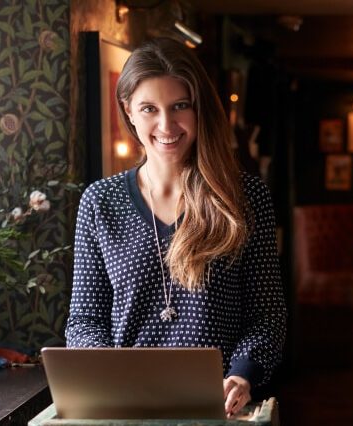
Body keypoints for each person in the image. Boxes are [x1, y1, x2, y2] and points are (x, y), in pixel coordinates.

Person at [65, 37, 287, 418]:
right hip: (125, 409)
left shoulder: (245, 197)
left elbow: (268, 315)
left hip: (220, 409)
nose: (167, 125)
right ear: (129, 112)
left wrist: (243, 374)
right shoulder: (99, 202)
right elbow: (84, 319)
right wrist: (104, 372)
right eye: (149, 108)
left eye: (180, 106)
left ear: (199, 110)